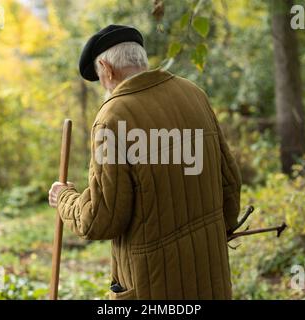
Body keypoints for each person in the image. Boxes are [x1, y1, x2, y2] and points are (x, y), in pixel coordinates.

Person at [48, 24, 241, 300]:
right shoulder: (194, 94)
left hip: (153, 288)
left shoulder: (112, 118)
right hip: (212, 282)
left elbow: (101, 219)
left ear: (106, 68)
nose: (104, 84)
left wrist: (64, 198)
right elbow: (230, 183)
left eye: (100, 76)